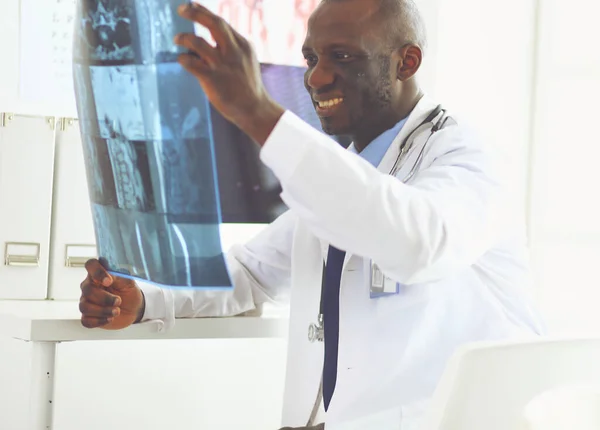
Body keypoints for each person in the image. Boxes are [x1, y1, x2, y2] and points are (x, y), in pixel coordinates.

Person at [78, 0, 546, 428]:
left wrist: (258, 112)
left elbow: (418, 243)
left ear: (407, 62)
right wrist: (142, 298)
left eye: (343, 57)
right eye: (312, 58)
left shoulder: (468, 156)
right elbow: (251, 271)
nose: (316, 78)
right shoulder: (354, 174)